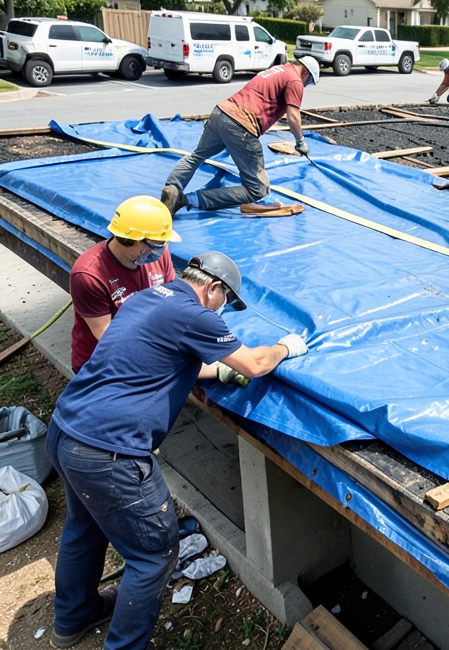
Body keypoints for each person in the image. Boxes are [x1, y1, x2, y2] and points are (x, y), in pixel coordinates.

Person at [46, 251, 309, 650]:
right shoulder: (196, 315)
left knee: (84, 528)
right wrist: (284, 348)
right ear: (214, 288)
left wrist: (219, 369)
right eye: (226, 302)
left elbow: (163, 357)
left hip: (68, 430)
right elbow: (256, 363)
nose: (225, 311)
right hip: (110, 454)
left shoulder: (146, 298)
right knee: (153, 556)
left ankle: (73, 619)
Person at [161, 57, 319, 216]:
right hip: (241, 126)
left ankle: (171, 191)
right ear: (306, 72)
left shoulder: (278, 70)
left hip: (221, 114)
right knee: (257, 190)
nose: (307, 85)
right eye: (310, 81)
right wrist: (300, 141)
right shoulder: (295, 80)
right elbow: (293, 116)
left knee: (197, 156)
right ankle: (185, 200)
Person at [69, 196, 178, 373]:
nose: (163, 247)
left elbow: (173, 303)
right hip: (101, 361)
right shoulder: (89, 275)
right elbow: (108, 338)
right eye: (156, 243)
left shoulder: (158, 256)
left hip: (147, 342)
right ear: (132, 240)